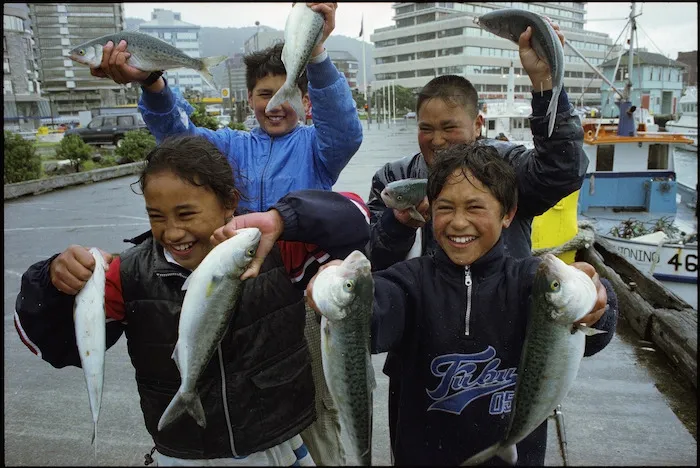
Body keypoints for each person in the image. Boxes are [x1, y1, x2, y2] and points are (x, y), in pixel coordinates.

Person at [14, 135, 370, 466]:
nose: (172, 232)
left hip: (275, 446)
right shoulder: (126, 274)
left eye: (186, 214)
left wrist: (282, 218)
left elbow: (356, 218)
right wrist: (50, 282)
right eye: (156, 216)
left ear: (230, 202)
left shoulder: (277, 251)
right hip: (182, 454)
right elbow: (54, 346)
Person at [366, 21, 597, 461]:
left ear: (477, 122)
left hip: (510, 340)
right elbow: (375, 262)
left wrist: (546, 86)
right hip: (420, 348)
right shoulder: (393, 179)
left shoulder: (503, 167)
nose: (436, 140)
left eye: (449, 127)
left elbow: (562, 171)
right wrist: (397, 225)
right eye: (425, 128)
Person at [307, 143, 618, 466]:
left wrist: (598, 303)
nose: (458, 223)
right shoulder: (409, 283)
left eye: (474, 208)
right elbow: (371, 317)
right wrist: (337, 299)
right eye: (445, 208)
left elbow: (596, 332)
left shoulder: (531, 282)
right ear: (429, 214)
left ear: (508, 214)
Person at [86, 2, 361, 215]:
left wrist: (315, 48)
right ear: (250, 99)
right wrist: (151, 81)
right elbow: (177, 139)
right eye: (265, 94)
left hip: (304, 270)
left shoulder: (317, 149)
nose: (275, 104)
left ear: (306, 101)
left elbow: (344, 132)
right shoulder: (230, 145)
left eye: (286, 94)